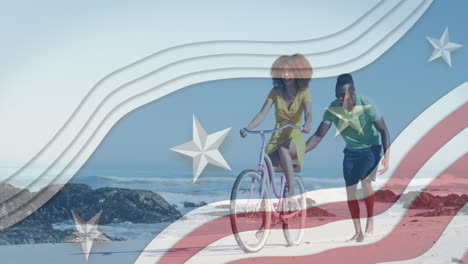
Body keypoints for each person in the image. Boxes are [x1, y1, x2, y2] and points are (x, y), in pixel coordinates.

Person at [305, 73, 390, 242]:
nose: (342, 99)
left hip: (371, 149)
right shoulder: (333, 109)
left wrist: (386, 156)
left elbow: (383, 131)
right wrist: (300, 152)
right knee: (350, 191)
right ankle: (358, 232)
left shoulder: (367, 103)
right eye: (338, 95)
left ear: (353, 92)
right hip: (351, 152)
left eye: (345, 95)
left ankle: (370, 220)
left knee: (365, 182)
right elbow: (318, 136)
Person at [240, 54, 313, 198]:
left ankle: (291, 190)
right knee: (267, 167)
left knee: (283, 148)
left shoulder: (304, 93)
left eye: (290, 72)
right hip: (277, 134)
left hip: (295, 135)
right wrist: (248, 128)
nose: (286, 76)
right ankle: (264, 204)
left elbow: (309, 113)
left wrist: (308, 124)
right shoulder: (275, 92)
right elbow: (262, 114)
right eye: (283, 72)